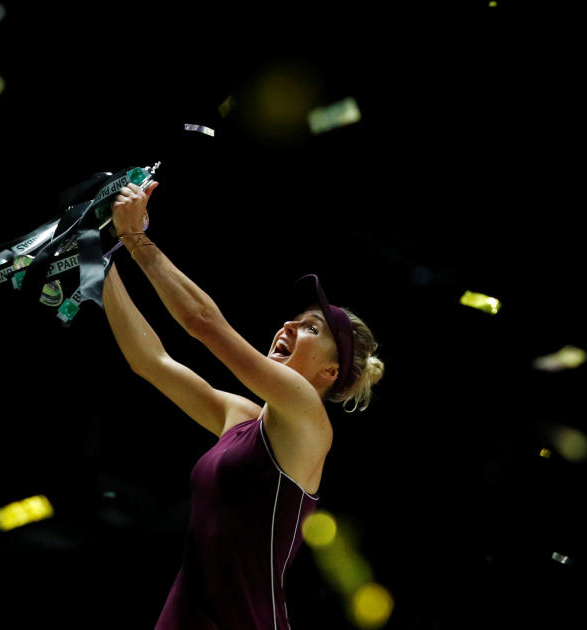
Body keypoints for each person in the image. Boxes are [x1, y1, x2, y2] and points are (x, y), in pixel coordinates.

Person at [101, 180, 385, 629]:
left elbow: (203, 324)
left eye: (311, 329)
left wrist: (135, 241)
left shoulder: (308, 415)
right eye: (296, 318)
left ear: (329, 374)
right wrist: (99, 268)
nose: (289, 324)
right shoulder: (245, 418)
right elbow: (151, 362)